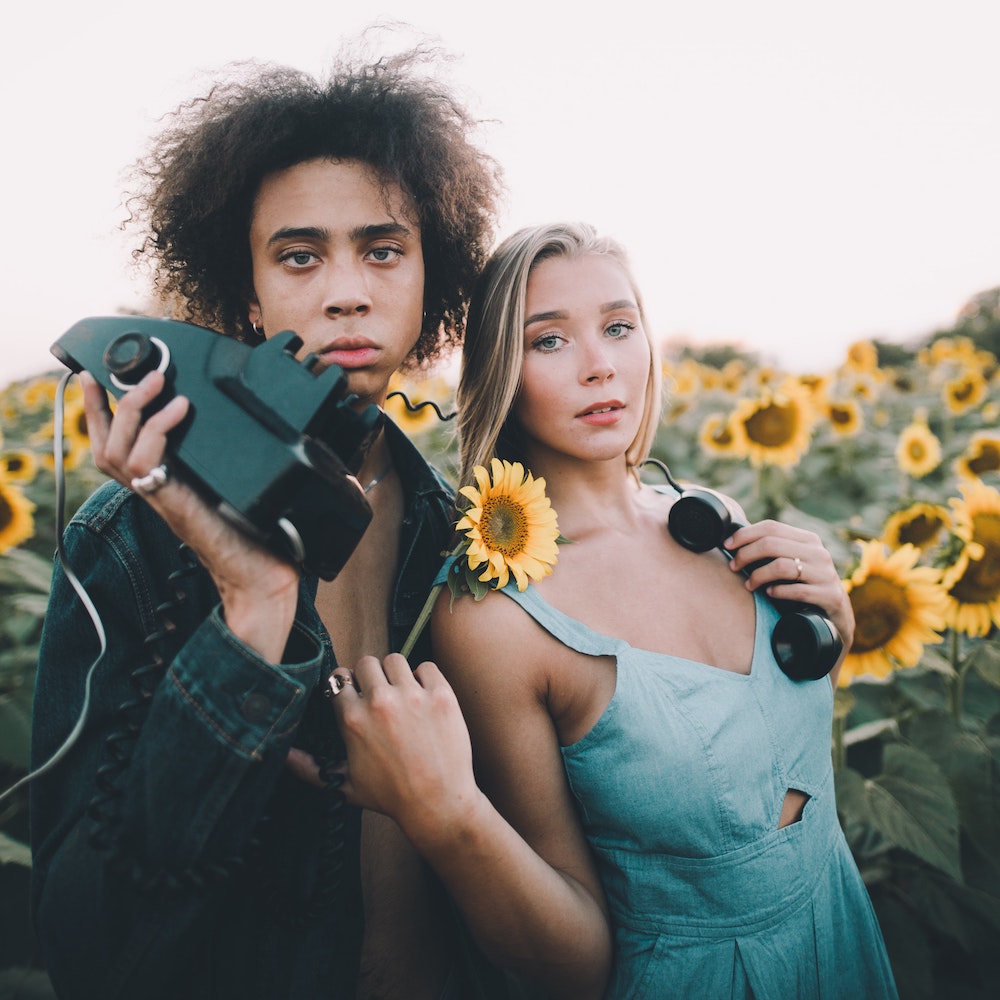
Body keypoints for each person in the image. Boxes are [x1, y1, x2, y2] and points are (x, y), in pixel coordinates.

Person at [29, 43, 506, 1000]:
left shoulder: (477, 527)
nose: (344, 291)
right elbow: (90, 941)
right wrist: (250, 604)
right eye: (299, 255)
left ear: (430, 275)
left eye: (382, 250)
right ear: (245, 295)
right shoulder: (124, 541)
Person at [323, 222, 899, 999]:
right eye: (550, 341)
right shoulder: (495, 617)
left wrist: (839, 624)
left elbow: (784, 769)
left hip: (843, 945)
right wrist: (447, 811)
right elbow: (572, 962)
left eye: (619, 327)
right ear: (501, 371)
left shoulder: (715, 522)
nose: (601, 366)